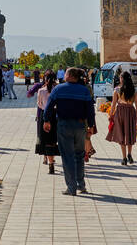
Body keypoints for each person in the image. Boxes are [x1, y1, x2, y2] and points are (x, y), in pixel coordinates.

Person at [42, 67, 97, 196]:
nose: (64, 75)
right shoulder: (84, 91)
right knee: (79, 155)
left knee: (67, 156)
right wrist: (91, 125)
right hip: (80, 126)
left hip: (64, 125)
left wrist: (46, 120)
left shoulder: (58, 89)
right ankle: (81, 185)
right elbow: (90, 109)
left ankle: (71, 188)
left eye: (66, 73)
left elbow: (49, 106)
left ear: (70, 76)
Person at [106, 70, 137, 165]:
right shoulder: (134, 90)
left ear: (122, 79)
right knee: (129, 133)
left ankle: (124, 157)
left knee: (121, 134)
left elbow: (113, 104)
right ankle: (130, 154)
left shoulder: (117, 90)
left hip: (120, 112)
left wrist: (111, 114)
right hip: (130, 112)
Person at [34, 69, 59, 174]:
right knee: (53, 140)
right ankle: (52, 159)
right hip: (55, 116)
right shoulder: (57, 90)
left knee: (46, 140)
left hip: (44, 116)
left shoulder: (41, 90)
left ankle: (50, 162)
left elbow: (39, 104)